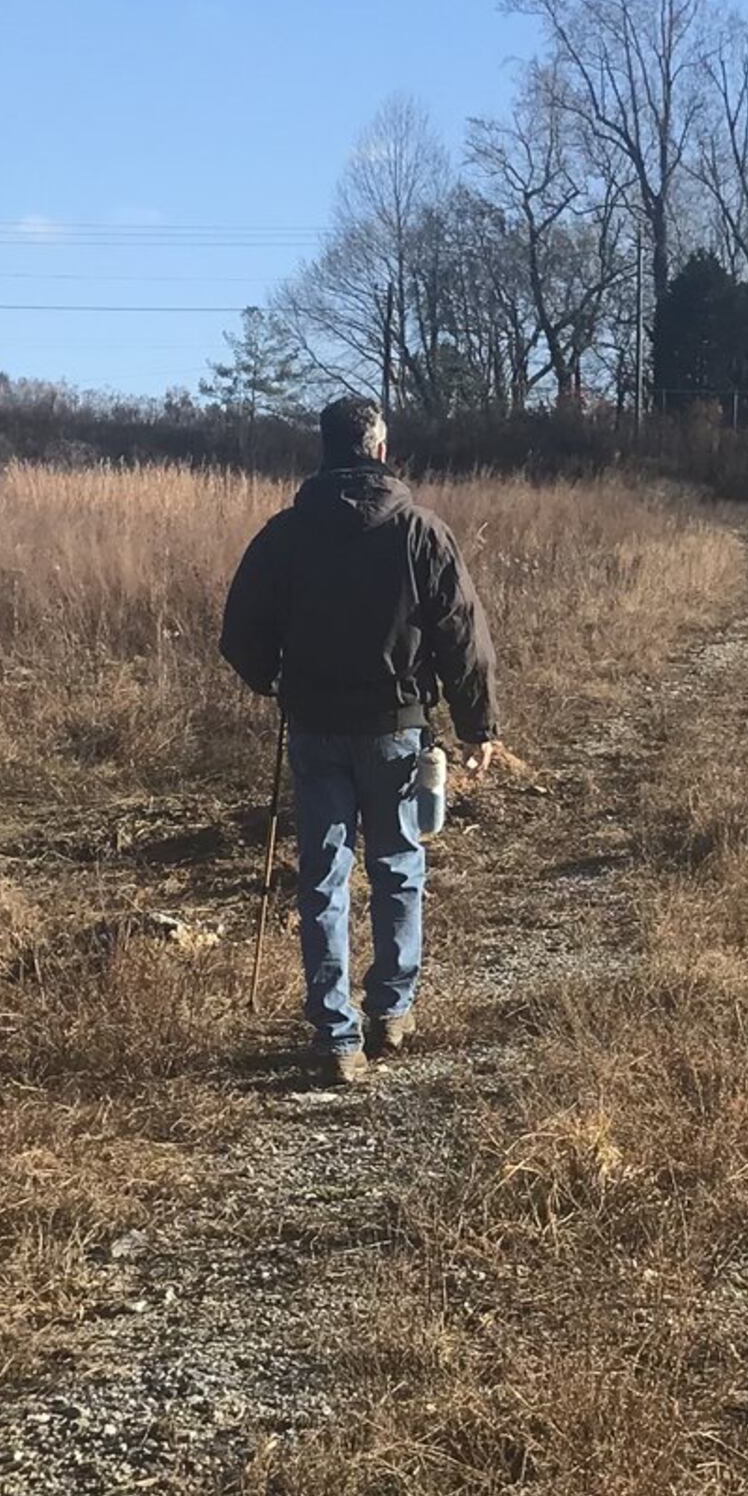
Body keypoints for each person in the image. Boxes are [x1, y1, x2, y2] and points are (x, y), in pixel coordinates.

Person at [219, 395, 513, 1084]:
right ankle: (390, 1011)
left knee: (321, 881)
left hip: (315, 730)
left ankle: (335, 1036)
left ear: (326, 452)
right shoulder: (420, 532)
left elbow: (240, 635)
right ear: (381, 450)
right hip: (396, 730)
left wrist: (274, 681)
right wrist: (478, 728)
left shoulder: (285, 535)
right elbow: (463, 638)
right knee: (397, 867)